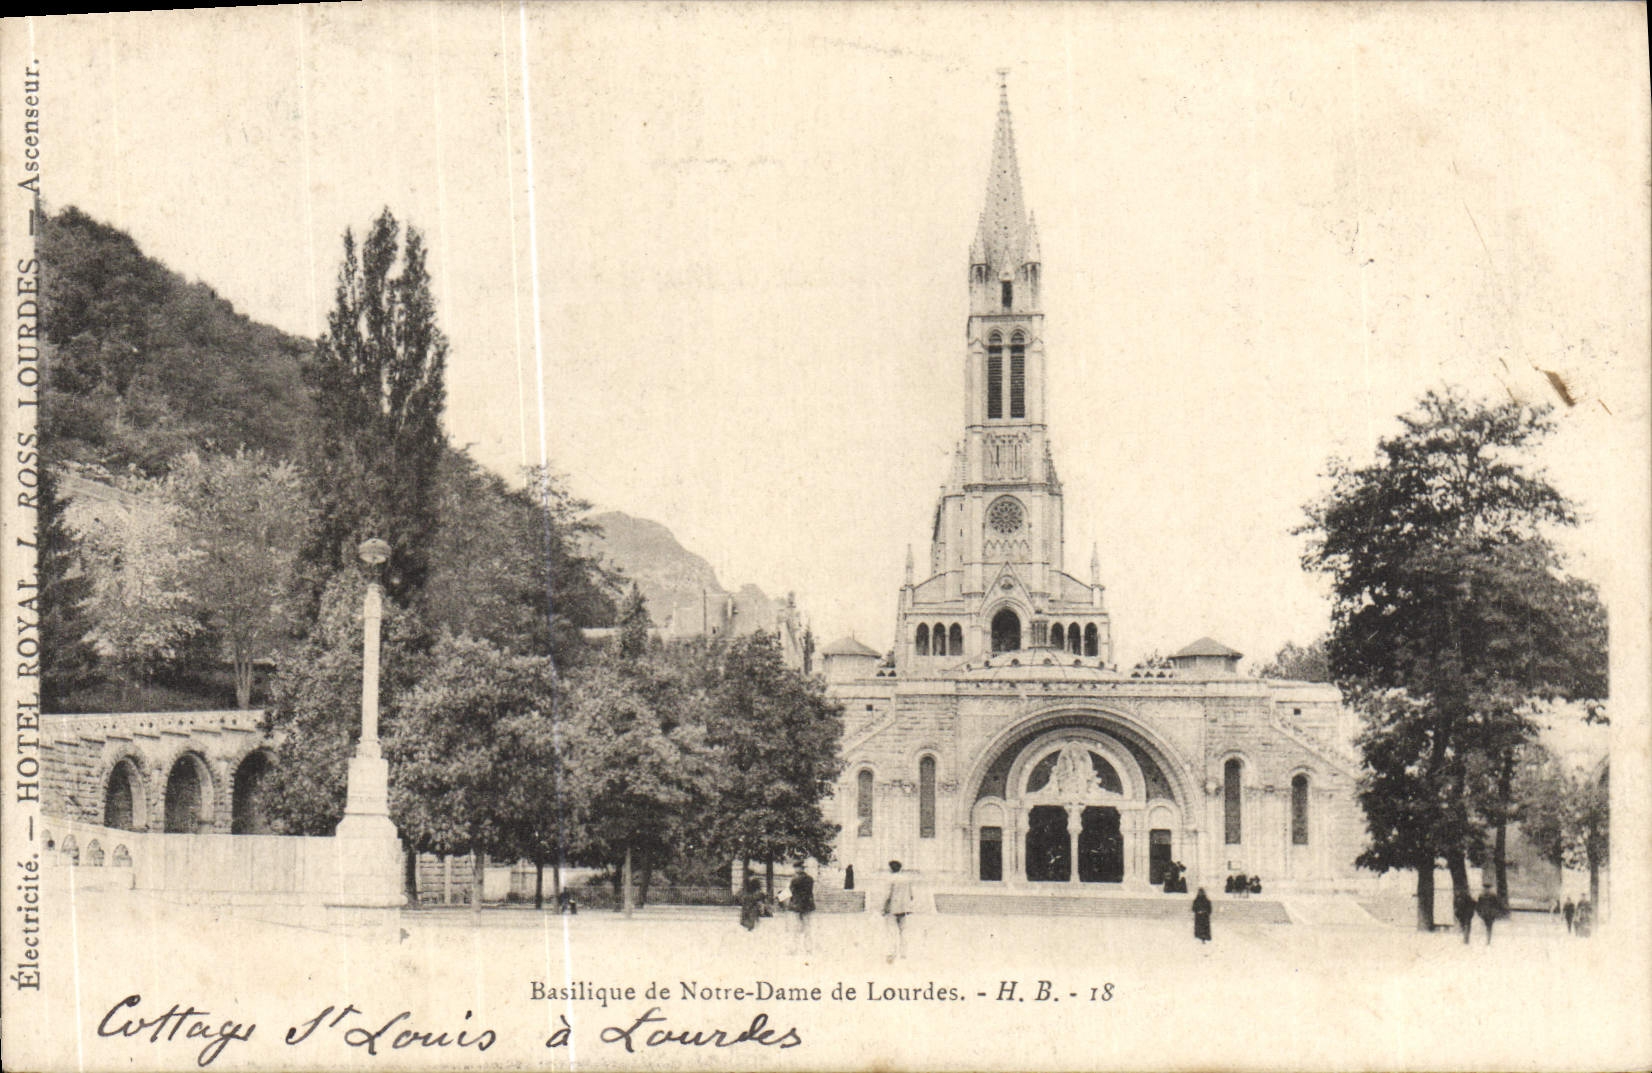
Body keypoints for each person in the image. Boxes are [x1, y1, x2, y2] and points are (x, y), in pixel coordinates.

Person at [882, 860, 914, 963]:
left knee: (891, 931)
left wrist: (883, 908)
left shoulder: (890, 879)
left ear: (891, 868)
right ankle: (904, 953)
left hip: (892, 908)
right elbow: (911, 895)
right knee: (903, 931)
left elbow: (887, 895)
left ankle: (892, 952)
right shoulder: (906, 879)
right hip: (904, 909)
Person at [789, 865, 816, 955]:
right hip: (807, 905)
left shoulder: (795, 880)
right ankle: (809, 950)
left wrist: (779, 897)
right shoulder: (810, 879)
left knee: (795, 929)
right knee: (807, 928)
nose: (795, 870)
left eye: (796, 868)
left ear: (799, 869)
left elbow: (790, 891)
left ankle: (794, 950)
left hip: (797, 906)